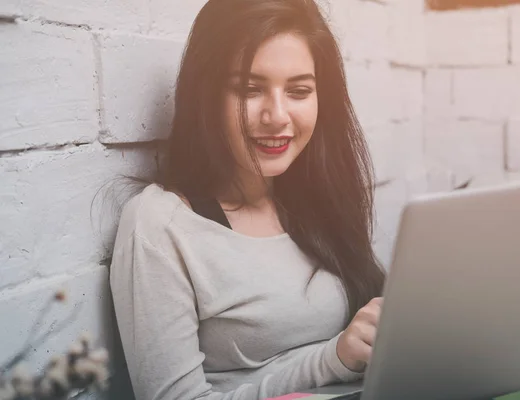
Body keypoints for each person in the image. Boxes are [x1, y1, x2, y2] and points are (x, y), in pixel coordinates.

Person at [109, 0, 387, 399]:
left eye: (298, 90)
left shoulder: (314, 200)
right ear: (206, 94)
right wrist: (332, 361)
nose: (277, 115)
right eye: (249, 89)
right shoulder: (160, 226)